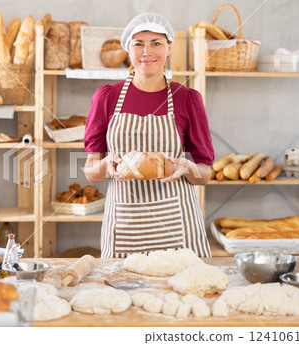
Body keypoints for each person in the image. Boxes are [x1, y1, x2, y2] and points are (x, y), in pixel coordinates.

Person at [84, 13, 214, 258]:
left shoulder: (186, 98)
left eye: (156, 43)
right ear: (128, 50)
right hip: (125, 225)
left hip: (177, 225)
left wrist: (186, 168)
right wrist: (106, 165)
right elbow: (91, 172)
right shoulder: (107, 97)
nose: (147, 51)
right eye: (139, 44)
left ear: (168, 49)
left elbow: (205, 174)